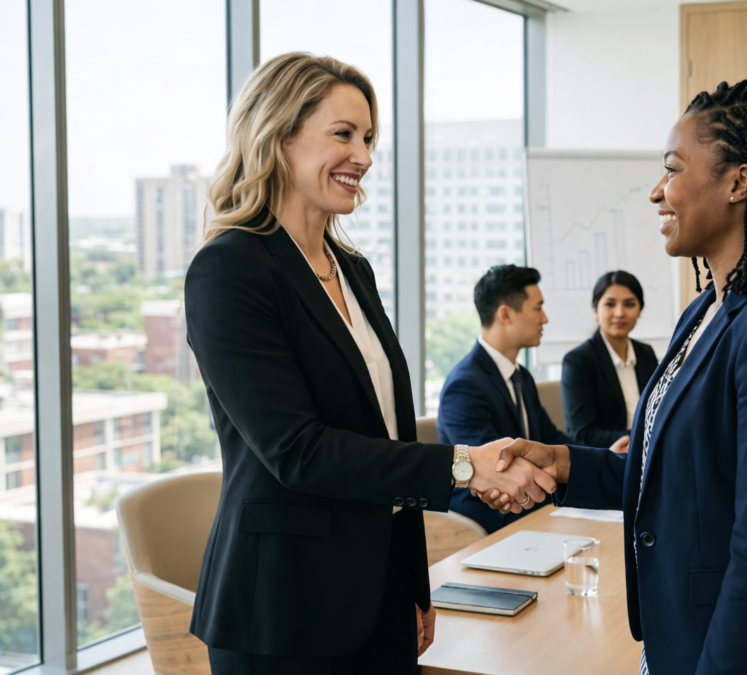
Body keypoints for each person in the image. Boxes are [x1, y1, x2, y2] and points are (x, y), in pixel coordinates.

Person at [183, 53, 554, 674]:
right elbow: (297, 450)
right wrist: (465, 465)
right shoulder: (230, 269)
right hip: (282, 607)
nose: (364, 157)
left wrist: (414, 583)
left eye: (369, 139)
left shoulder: (352, 270)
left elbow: (386, 435)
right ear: (278, 135)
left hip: (377, 593)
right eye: (344, 134)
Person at [481, 79, 747, 674]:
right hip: (680, 635)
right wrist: (566, 464)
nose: (657, 192)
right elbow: (679, 476)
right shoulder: (707, 309)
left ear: (738, 181)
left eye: (673, 170)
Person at [437, 265, 623, 534]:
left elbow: (551, 437)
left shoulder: (521, 376)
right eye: (538, 308)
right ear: (506, 314)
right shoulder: (465, 385)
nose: (544, 319)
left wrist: (604, 458)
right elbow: (495, 469)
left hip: (527, 501)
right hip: (487, 516)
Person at [561, 271, 659, 448]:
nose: (620, 313)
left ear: (640, 310)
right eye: (610, 304)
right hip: (605, 456)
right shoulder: (577, 361)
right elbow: (582, 434)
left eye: (629, 304)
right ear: (595, 310)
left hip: (649, 452)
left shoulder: (646, 353)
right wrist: (645, 436)